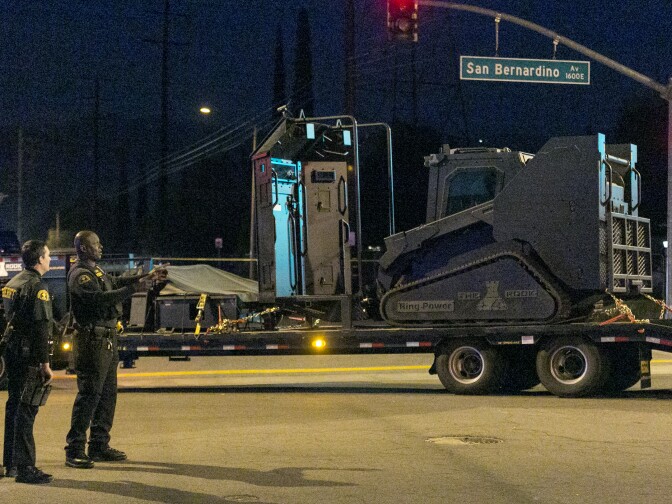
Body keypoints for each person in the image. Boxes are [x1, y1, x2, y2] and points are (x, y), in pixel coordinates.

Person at [64, 231, 167, 469]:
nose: (101, 247)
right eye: (96, 244)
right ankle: (74, 449)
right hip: (92, 341)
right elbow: (100, 299)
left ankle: (99, 445)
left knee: (107, 395)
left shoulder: (96, 271)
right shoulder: (80, 275)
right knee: (89, 395)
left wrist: (146, 276)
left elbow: (114, 282)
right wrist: (135, 288)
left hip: (106, 339)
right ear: (83, 249)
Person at [1, 240, 54, 484]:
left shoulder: (13, 283)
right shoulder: (37, 287)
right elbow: (41, 329)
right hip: (28, 356)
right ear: (40, 259)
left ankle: (10, 463)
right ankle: (25, 467)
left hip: (12, 353)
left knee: (14, 406)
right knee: (26, 410)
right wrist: (45, 364)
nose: (50, 259)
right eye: (48, 255)